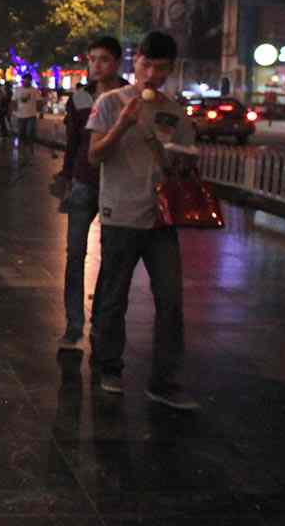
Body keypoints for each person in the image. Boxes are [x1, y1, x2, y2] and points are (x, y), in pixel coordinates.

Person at [86, 30, 200, 410]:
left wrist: (181, 160)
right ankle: (109, 366)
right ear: (135, 62)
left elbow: (184, 158)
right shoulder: (109, 101)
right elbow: (95, 156)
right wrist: (122, 123)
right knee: (114, 294)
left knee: (170, 299)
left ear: (170, 70)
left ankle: (165, 380)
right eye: (146, 65)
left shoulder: (174, 111)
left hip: (161, 218)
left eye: (160, 69)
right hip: (120, 211)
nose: (151, 75)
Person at [54, 36, 126, 347]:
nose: (97, 65)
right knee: (75, 255)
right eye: (92, 59)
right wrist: (67, 177)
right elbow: (73, 143)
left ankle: (101, 320)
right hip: (84, 182)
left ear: (117, 63)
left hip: (119, 185)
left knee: (112, 258)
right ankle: (73, 323)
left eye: (104, 59)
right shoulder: (80, 98)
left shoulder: (129, 97)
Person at [12, 75, 42, 154]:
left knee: (29, 132)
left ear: (30, 81)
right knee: (21, 132)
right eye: (24, 80)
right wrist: (14, 110)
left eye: (27, 81)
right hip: (20, 114)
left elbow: (39, 101)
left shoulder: (34, 90)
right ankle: (22, 146)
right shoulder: (18, 90)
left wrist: (40, 111)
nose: (26, 82)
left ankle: (30, 145)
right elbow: (14, 100)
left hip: (31, 115)